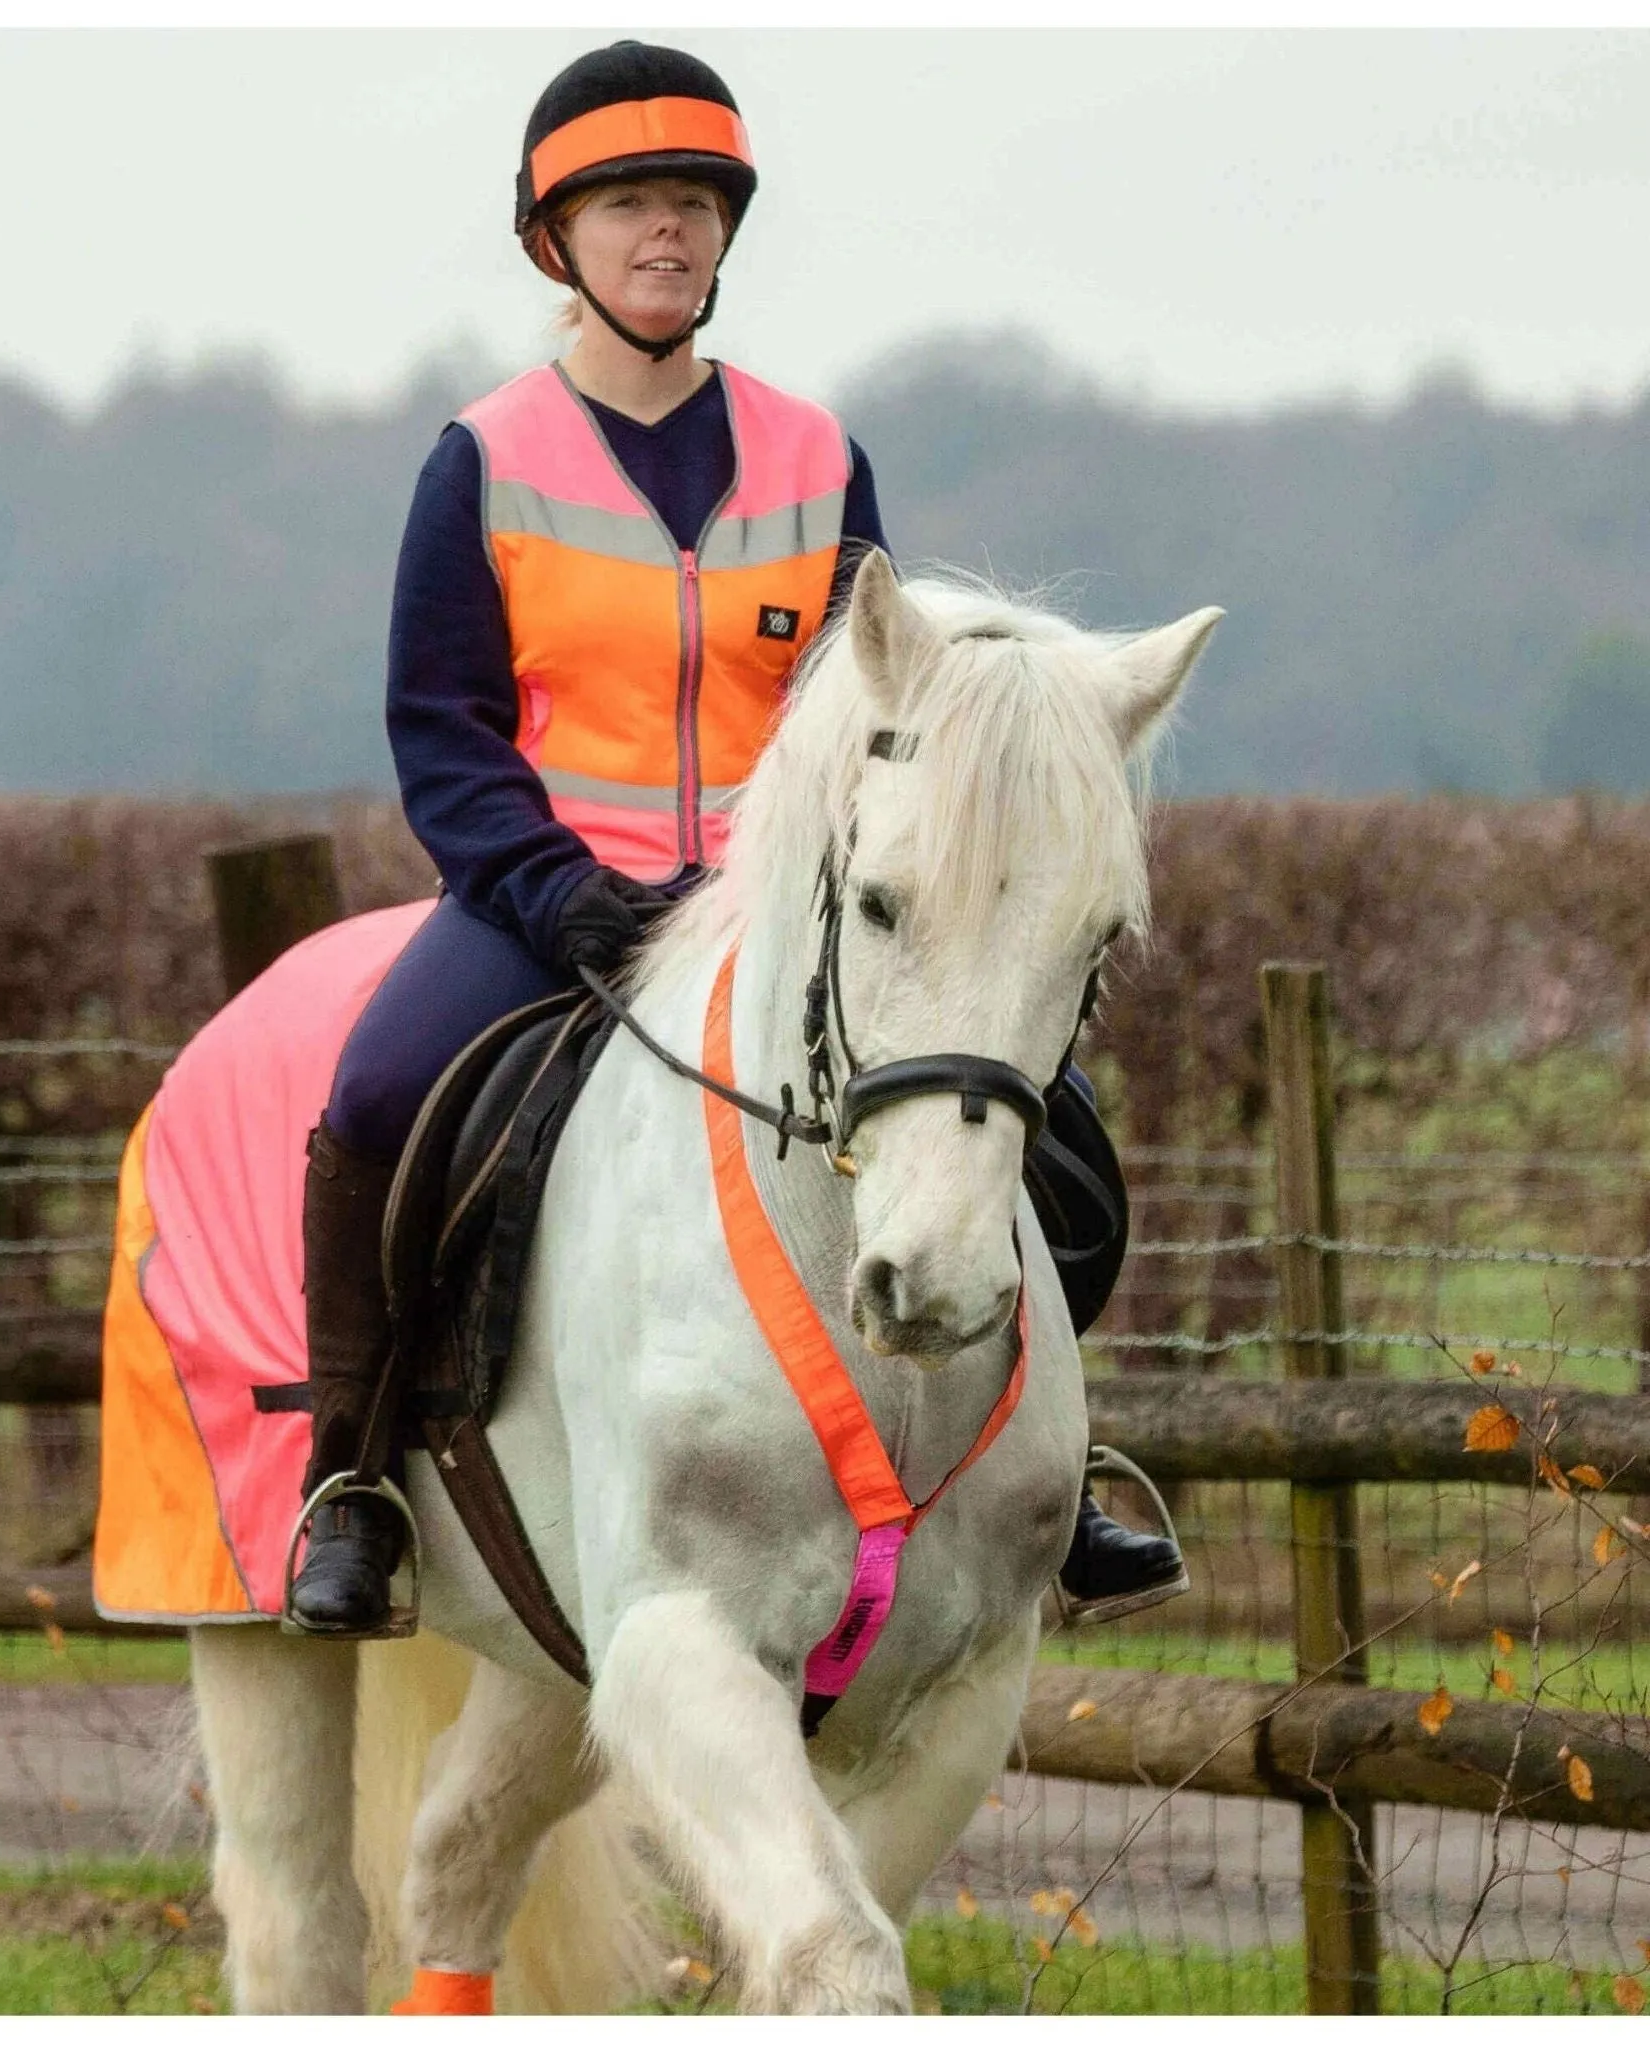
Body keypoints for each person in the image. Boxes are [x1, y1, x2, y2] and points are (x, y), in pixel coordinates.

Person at [288, 39, 1184, 1636]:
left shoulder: (816, 457)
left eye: (695, 205)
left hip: (792, 909)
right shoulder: (484, 460)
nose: (668, 235)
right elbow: (443, 732)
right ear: (552, 239)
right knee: (374, 1097)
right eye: (627, 204)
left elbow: (894, 713)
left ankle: (1053, 1466)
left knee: (1045, 1128)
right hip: (547, 900)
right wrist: (558, 894)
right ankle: (352, 1489)